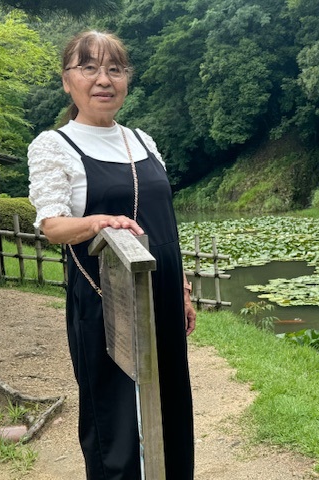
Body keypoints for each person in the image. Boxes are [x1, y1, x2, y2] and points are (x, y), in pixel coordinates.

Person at [27, 30, 196, 479]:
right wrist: (98, 222)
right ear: (67, 80)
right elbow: (52, 225)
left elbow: (164, 221)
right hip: (104, 300)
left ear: (126, 80)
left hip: (160, 294)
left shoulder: (142, 139)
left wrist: (181, 287)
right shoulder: (55, 145)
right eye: (89, 68)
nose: (104, 80)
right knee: (114, 421)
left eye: (115, 69)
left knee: (170, 408)